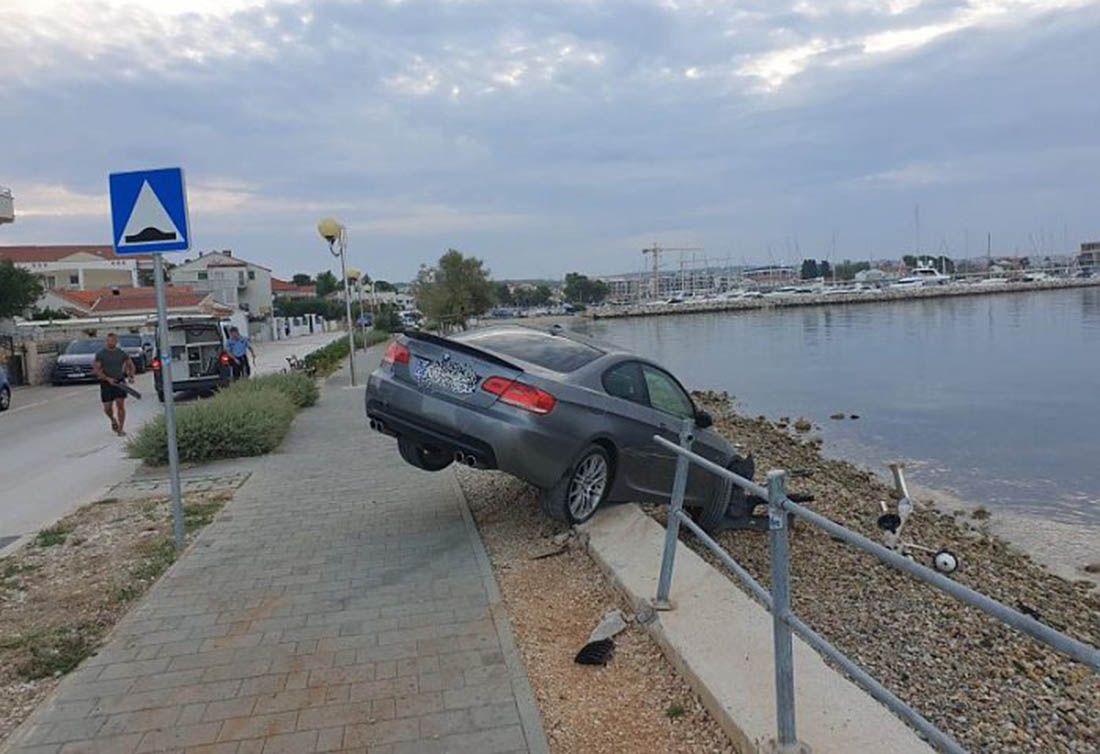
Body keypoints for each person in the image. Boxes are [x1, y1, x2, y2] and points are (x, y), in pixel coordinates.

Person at [93, 333, 136, 437]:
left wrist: (131, 376)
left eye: (112, 341)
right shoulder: (101, 354)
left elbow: (131, 365)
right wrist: (107, 379)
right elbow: (96, 370)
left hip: (119, 382)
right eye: (108, 341)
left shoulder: (121, 353)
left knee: (120, 404)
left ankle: (121, 428)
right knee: (107, 407)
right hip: (106, 383)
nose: (110, 342)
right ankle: (112, 419)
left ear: (116, 342)